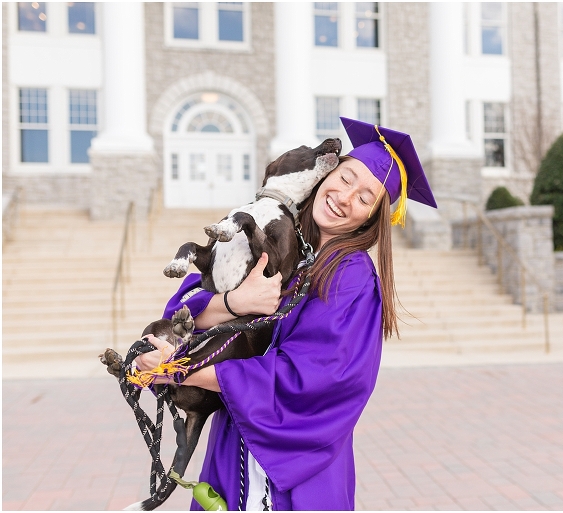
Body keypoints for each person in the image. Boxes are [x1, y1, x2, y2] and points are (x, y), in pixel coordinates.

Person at [136, 117, 438, 510]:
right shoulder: (278, 241)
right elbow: (187, 306)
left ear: (371, 218)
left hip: (292, 467)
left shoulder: (351, 278)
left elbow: (311, 376)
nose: (346, 197)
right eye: (346, 178)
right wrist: (235, 303)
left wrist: (179, 370)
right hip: (232, 442)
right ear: (326, 175)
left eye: (365, 198)